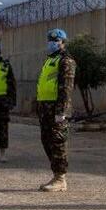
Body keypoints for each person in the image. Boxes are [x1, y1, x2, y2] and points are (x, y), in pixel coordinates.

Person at [34, 28, 75, 192]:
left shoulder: (66, 61)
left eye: (56, 41)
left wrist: (61, 112)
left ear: (63, 43)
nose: (52, 43)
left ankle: (60, 178)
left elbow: (66, 88)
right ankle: (56, 174)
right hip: (45, 108)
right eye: (50, 40)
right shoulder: (50, 60)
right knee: (46, 141)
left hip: (56, 109)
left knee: (58, 142)